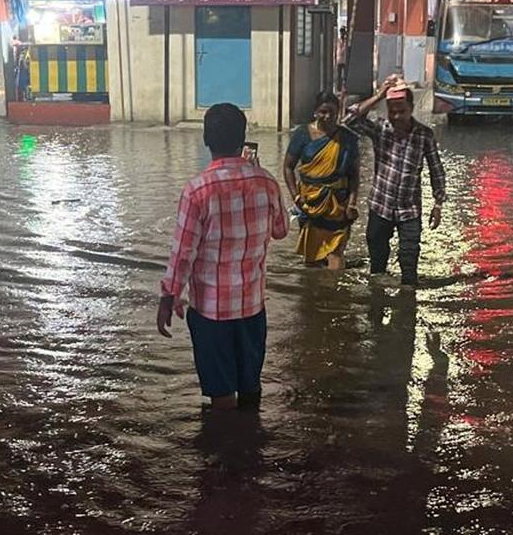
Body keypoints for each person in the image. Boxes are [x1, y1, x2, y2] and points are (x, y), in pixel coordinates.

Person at [158, 103, 289, 412]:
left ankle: (225, 452)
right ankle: (250, 447)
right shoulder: (267, 182)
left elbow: (182, 254)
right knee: (250, 387)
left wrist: (169, 298)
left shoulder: (197, 191)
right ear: (243, 139)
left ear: (206, 139)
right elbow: (281, 231)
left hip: (211, 313)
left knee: (221, 395)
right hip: (252, 308)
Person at [346, 75, 446, 287]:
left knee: (409, 264)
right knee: (377, 266)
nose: (397, 116)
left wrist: (438, 204)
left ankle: (407, 308)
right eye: (392, 111)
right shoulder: (380, 129)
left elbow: (436, 169)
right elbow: (350, 119)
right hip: (380, 206)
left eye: (402, 110)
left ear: (411, 108)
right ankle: (376, 308)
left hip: (409, 210)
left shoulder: (424, 135)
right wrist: (380, 94)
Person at [282, 92, 361, 270]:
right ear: (315, 112)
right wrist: (296, 196)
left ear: (339, 112)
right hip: (310, 203)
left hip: (339, 204)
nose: (328, 117)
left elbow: (355, 174)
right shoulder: (302, 135)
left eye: (333, 112)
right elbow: (288, 167)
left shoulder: (347, 139)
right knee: (312, 255)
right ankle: (312, 295)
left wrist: (352, 203)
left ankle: (335, 294)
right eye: (323, 112)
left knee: (336, 251)